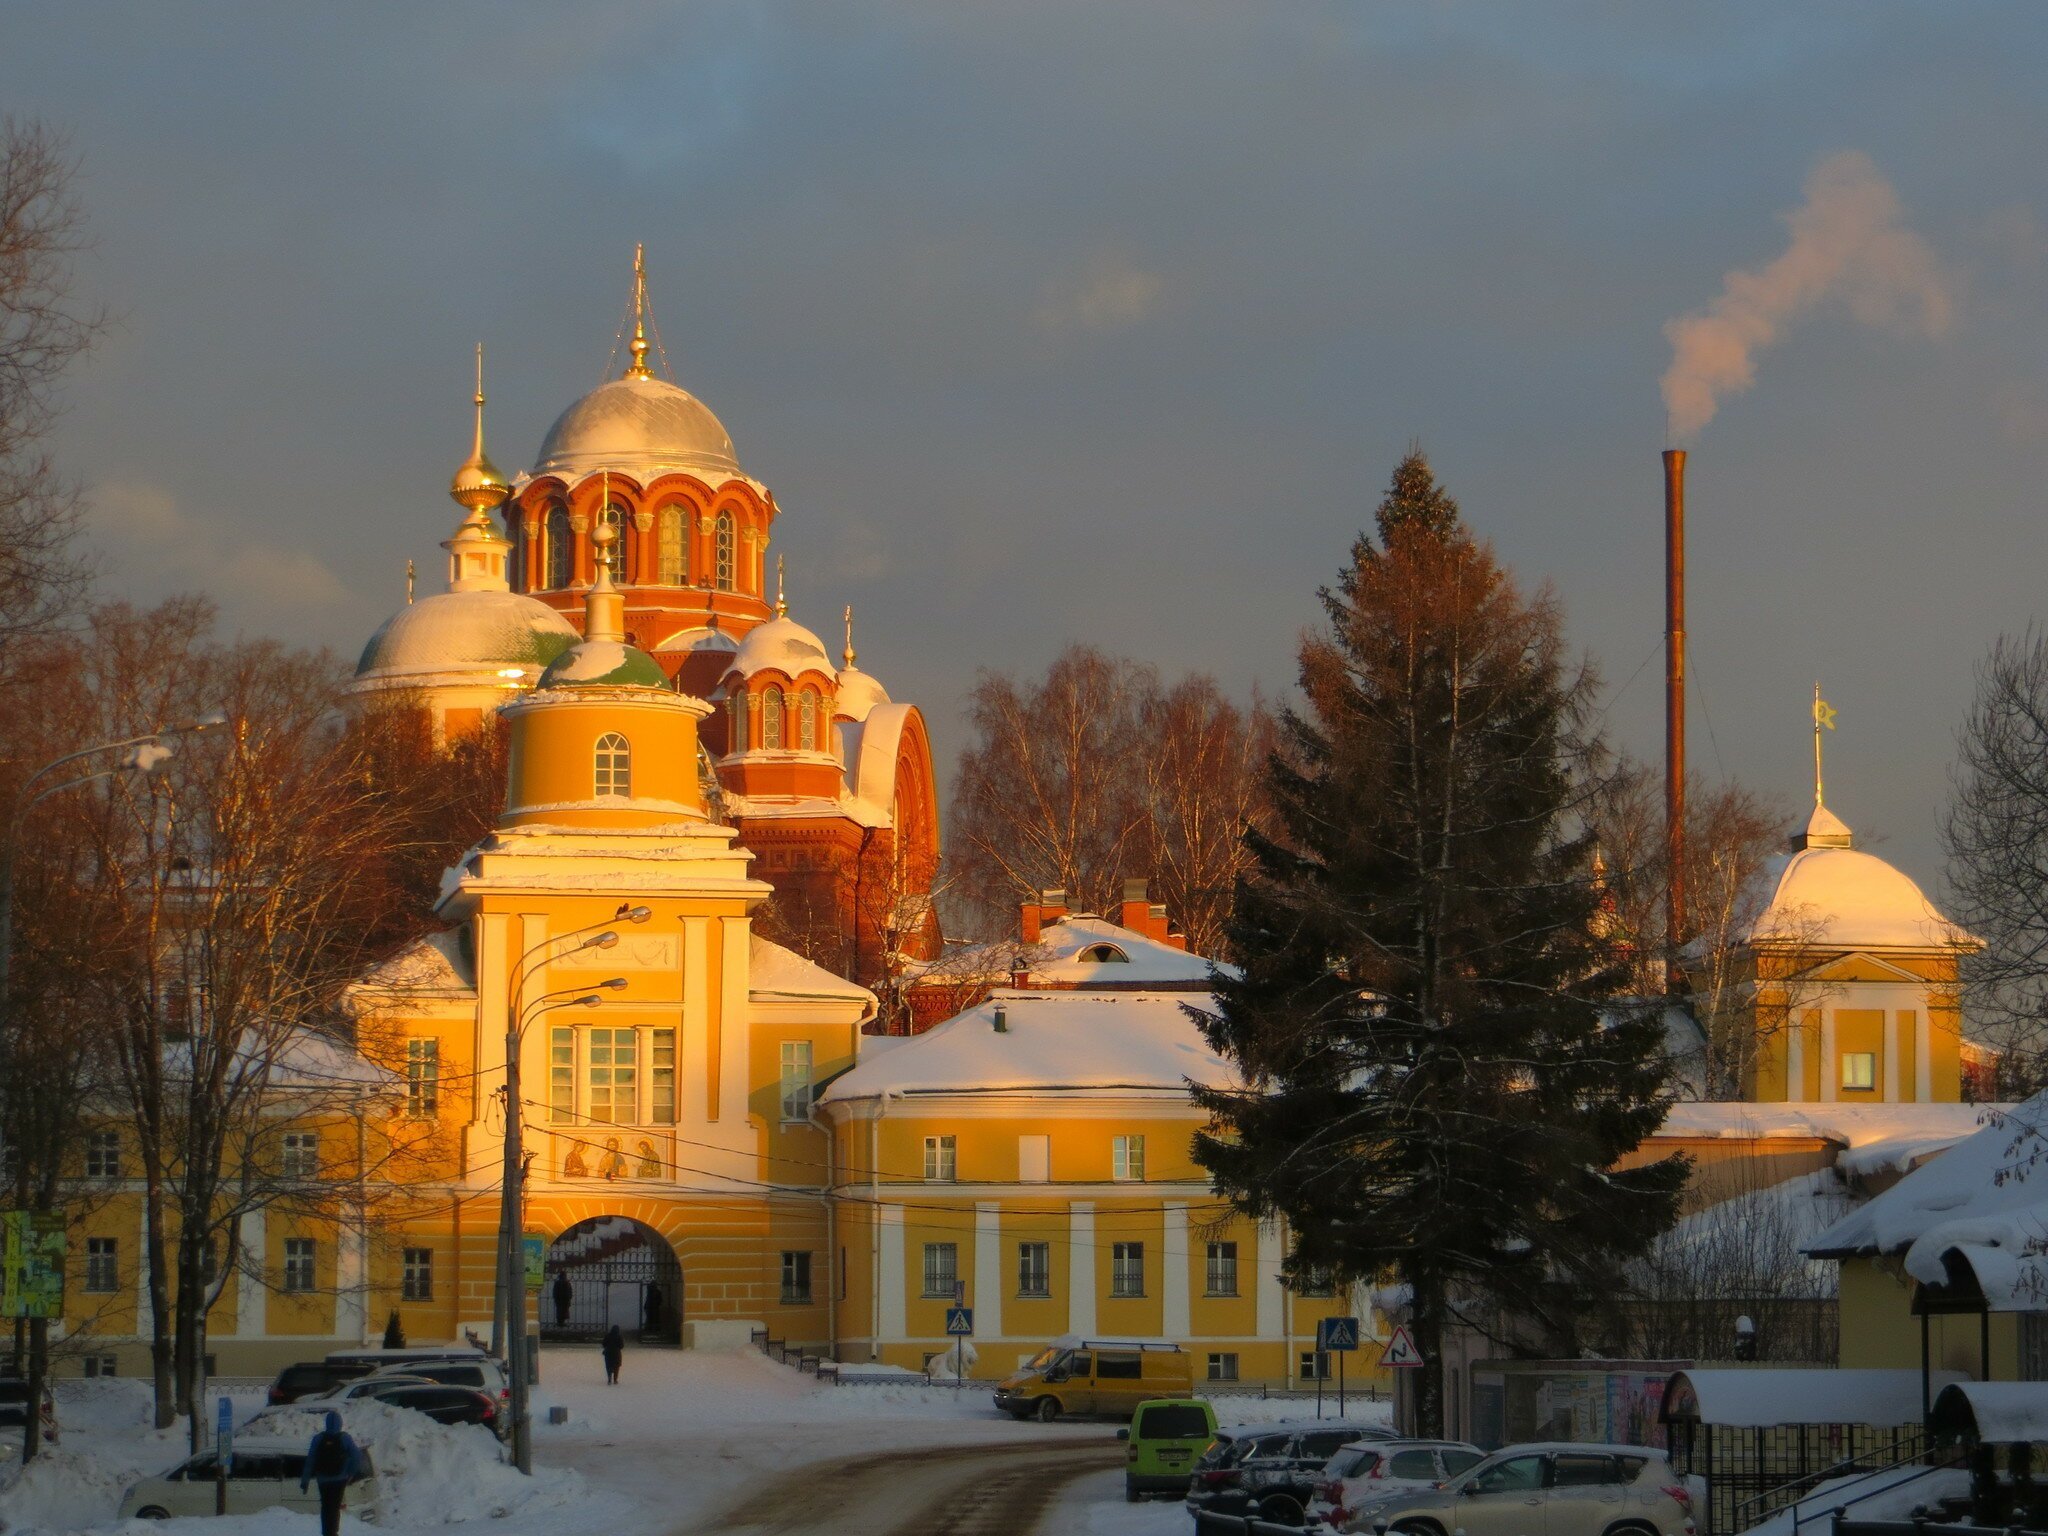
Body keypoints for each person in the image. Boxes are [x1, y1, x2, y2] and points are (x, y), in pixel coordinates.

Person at [299, 1409, 364, 1536]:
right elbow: (357, 1456)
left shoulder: (318, 1438)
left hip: (323, 1479)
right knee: (334, 1507)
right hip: (339, 1479)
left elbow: (310, 1460)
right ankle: (333, 1533)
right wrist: (350, 1472)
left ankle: (326, 1533)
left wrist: (305, 1480)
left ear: (326, 1423)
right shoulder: (345, 1438)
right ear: (340, 1423)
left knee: (325, 1506)